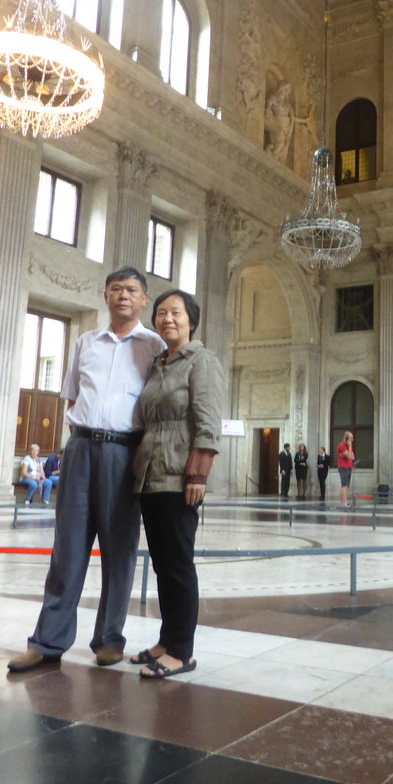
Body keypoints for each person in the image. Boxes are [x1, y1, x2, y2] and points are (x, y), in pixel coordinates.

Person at [8, 267, 164, 673]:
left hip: (124, 452)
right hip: (80, 447)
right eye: (116, 289)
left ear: (144, 299)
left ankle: (109, 639)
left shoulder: (154, 346)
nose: (123, 296)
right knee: (68, 548)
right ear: (106, 296)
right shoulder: (85, 342)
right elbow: (71, 396)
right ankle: (48, 641)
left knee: (119, 550)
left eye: (131, 290)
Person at [131, 289, 223, 679]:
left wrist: (198, 475)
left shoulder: (201, 361)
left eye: (177, 313)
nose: (168, 318)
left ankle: (182, 650)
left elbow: (208, 421)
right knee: (163, 565)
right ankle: (167, 640)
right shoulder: (159, 364)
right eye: (162, 313)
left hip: (179, 476)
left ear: (192, 320)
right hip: (150, 475)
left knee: (178, 565)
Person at [337, 430, 355, 507]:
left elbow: (353, 457)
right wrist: (350, 447)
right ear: (346, 438)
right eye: (351, 438)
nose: (352, 440)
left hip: (349, 467)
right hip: (343, 467)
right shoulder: (342, 445)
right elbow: (349, 456)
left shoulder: (347, 447)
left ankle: (343, 501)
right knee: (344, 485)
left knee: (347, 485)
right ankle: (344, 502)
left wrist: (349, 450)